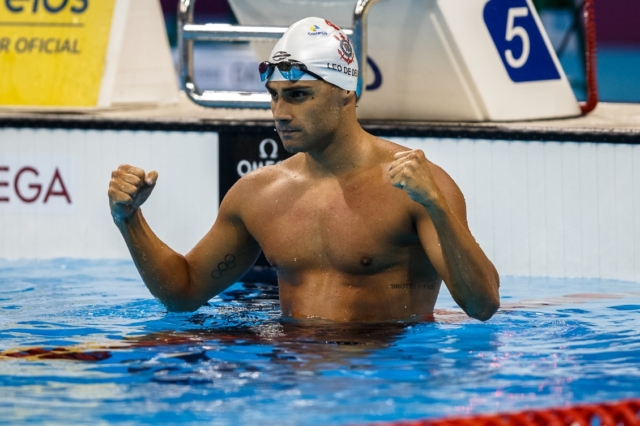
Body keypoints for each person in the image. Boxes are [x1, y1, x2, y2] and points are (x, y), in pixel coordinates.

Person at [108, 17, 500, 322]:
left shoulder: (414, 187)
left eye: (298, 95)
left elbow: (482, 306)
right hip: (290, 371)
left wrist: (436, 206)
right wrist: (129, 219)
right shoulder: (258, 194)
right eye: (274, 96)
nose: (280, 113)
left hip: (385, 370)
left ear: (346, 92)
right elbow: (184, 292)